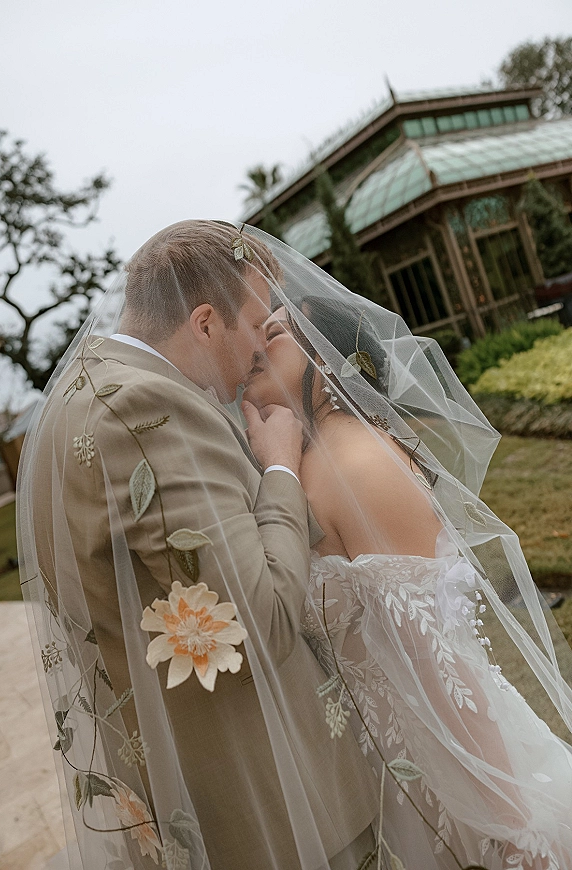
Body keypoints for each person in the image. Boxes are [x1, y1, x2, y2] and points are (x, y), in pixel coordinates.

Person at [17, 221, 381, 870]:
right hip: (279, 807)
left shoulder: (73, 399)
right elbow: (263, 619)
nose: (261, 347)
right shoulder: (147, 408)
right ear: (207, 322)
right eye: (258, 324)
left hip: (193, 789)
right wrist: (280, 467)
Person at [242, 291, 572, 870]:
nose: (254, 347)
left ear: (328, 360)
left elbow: (438, 659)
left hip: (445, 781)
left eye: (275, 334)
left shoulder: (359, 464)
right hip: (372, 772)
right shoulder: (306, 462)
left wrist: (511, 825)